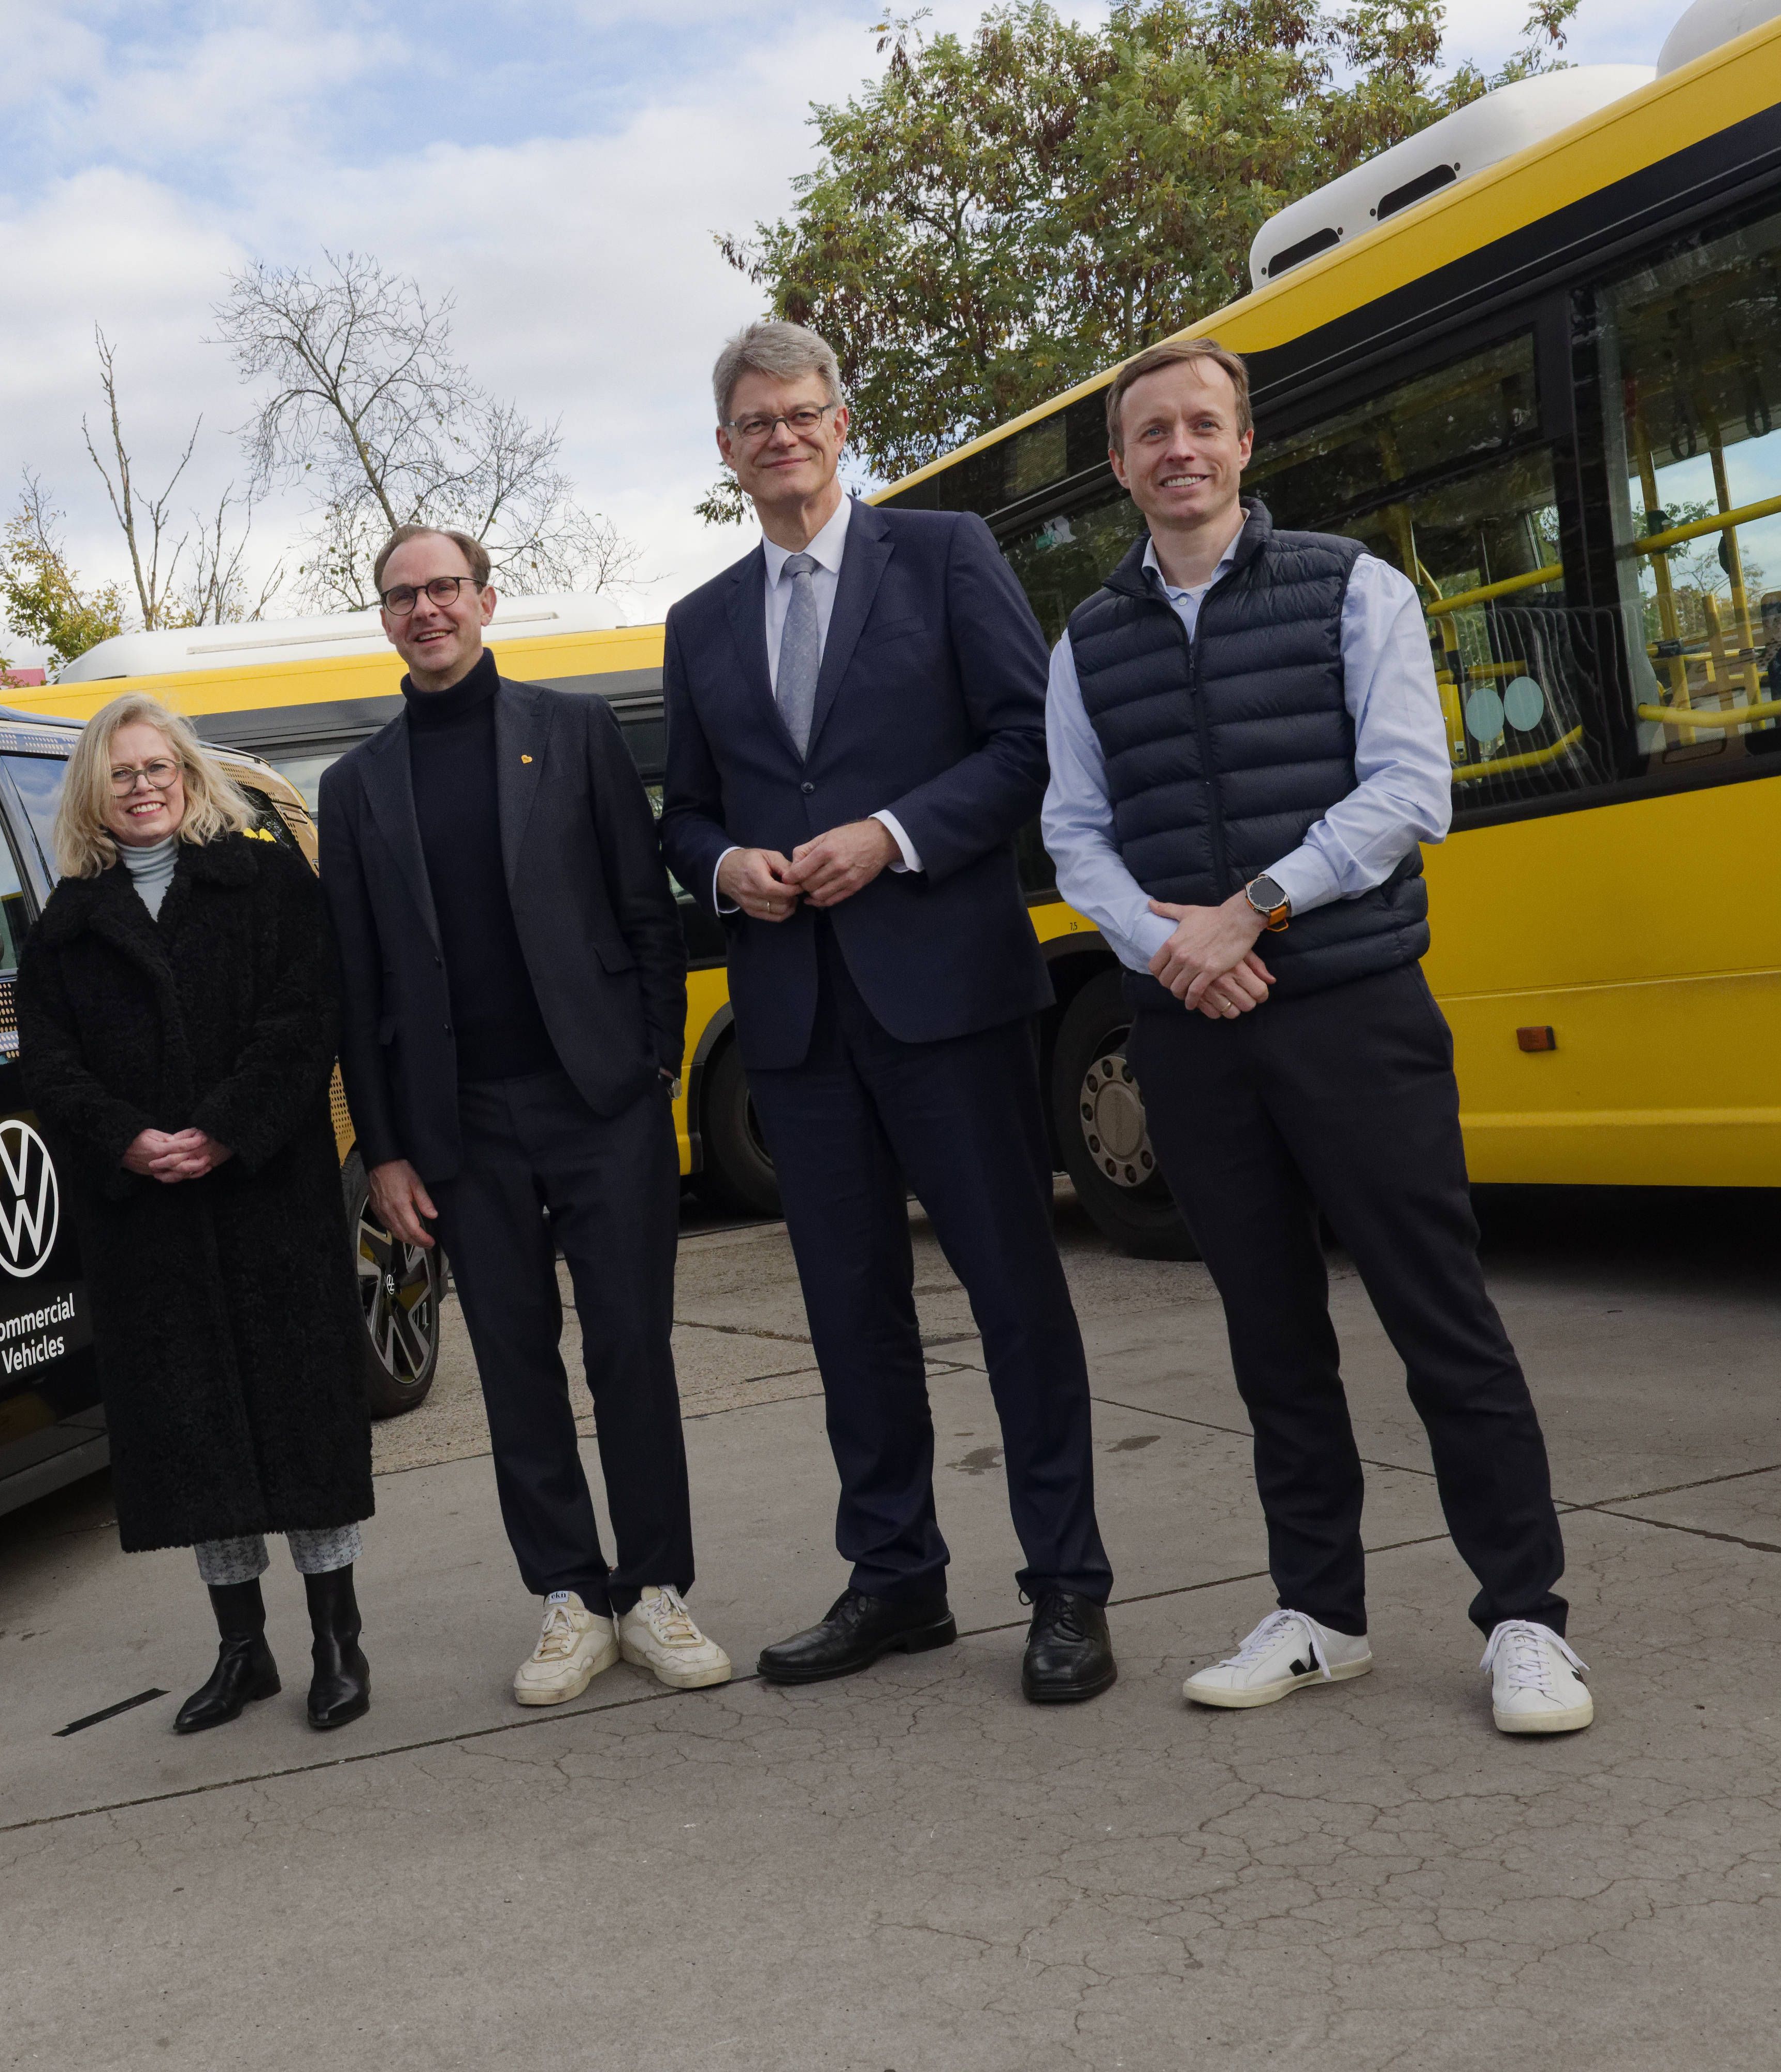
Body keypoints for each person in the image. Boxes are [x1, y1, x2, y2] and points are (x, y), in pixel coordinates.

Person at [1040, 337, 1594, 1735]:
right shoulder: (1087, 639)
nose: (1179, 448)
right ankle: (1321, 1613)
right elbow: (1073, 832)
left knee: (1438, 1317)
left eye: (1203, 425)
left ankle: (1526, 1619)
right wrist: (1173, 946)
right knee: (1270, 1334)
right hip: (1192, 1031)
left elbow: (1414, 789)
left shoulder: (1356, 587)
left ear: (1243, 446)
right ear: (1120, 464)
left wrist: (1253, 909)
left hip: (1352, 1009)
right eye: (1150, 430)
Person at [658, 320, 1117, 1705]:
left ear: (841, 426)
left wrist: (896, 836)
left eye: (804, 414)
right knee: (851, 1313)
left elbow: (1030, 740)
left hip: (949, 1005)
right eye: (756, 422)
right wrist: (730, 867)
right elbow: (685, 814)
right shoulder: (700, 625)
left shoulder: (945, 555)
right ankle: (897, 1578)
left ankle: (1067, 1590)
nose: (782, 438)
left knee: (1015, 1299)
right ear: (726, 450)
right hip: (796, 1028)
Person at [321, 524, 732, 1707]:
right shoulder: (354, 789)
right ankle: (568, 1594)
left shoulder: (577, 732)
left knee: (630, 1348)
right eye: (403, 595)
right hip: (459, 1128)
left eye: (445, 586)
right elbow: (357, 984)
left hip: (600, 1096)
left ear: (485, 599)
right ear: (386, 620)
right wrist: (387, 1148)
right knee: (513, 1361)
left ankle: (654, 1591)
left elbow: (644, 906)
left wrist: (655, 1059)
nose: (427, 609)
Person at [13, 691, 380, 1735]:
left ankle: (337, 1642)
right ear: (97, 790)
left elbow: (307, 1016)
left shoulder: (265, 877)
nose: (141, 785)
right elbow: (50, 1064)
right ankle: (242, 1649)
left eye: (156, 766)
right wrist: (128, 1136)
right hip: (151, 1222)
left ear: (187, 773)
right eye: (120, 772)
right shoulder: (69, 926)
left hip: (268, 1199)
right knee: (197, 1433)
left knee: (299, 1422)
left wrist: (223, 1126)